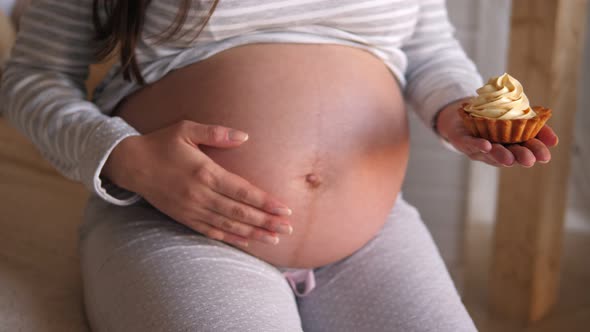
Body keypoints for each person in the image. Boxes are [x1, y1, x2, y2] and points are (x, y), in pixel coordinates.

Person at [1, 0, 558, 331]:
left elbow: (428, 50)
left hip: (369, 236)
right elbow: (32, 78)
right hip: (175, 223)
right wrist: (126, 157)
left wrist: (456, 109)